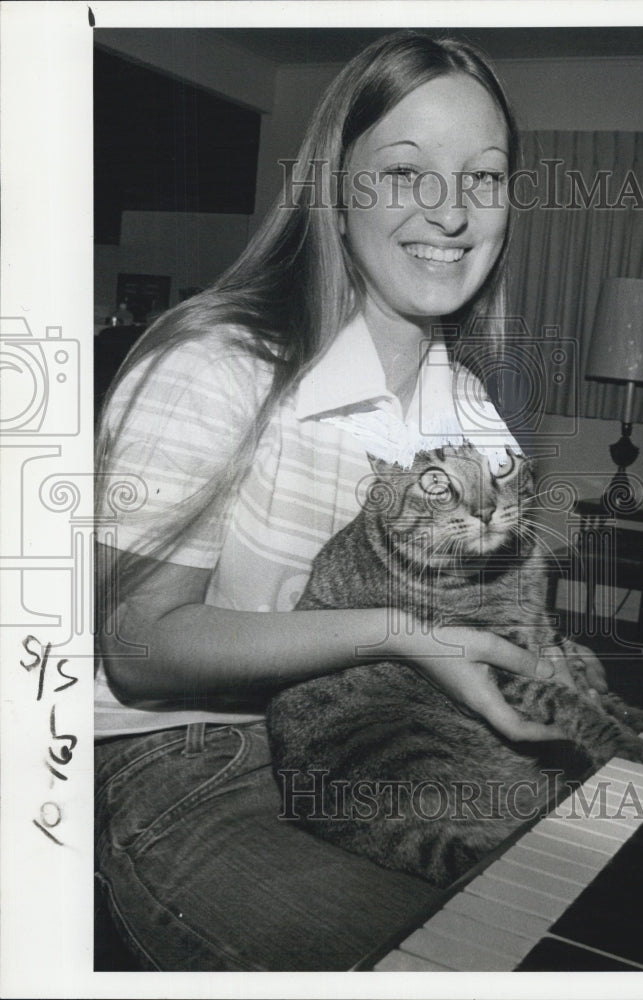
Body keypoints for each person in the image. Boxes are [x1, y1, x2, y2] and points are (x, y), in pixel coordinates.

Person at [94, 30, 607, 971]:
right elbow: (133, 648)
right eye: (406, 171)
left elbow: (496, 624)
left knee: (592, 920)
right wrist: (400, 630)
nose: (451, 212)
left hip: (396, 741)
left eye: (483, 178)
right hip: (189, 762)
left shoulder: (474, 414)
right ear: (336, 189)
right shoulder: (212, 364)